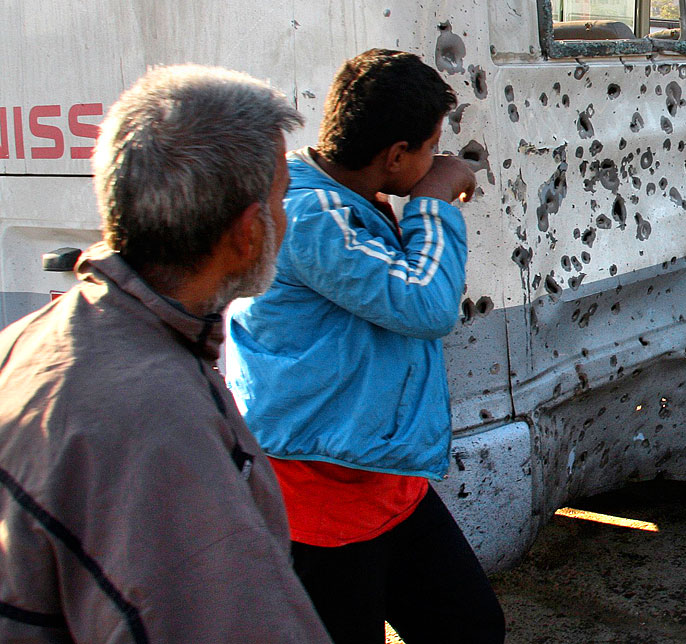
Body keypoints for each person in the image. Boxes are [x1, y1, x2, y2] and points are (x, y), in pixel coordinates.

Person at [0, 66, 332, 643]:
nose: (288, 217)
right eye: (282, 198)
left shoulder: (33, 338)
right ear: (247, 234)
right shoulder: (157, 430)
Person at [227, 49, 504, 644]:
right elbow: (425, 303)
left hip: (378, 476)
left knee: (471, 627)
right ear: (396, 156)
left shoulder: (349, 197)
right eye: (430, 146)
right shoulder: (309, 217)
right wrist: (433, 202)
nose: (439, 157)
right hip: (320, 494)